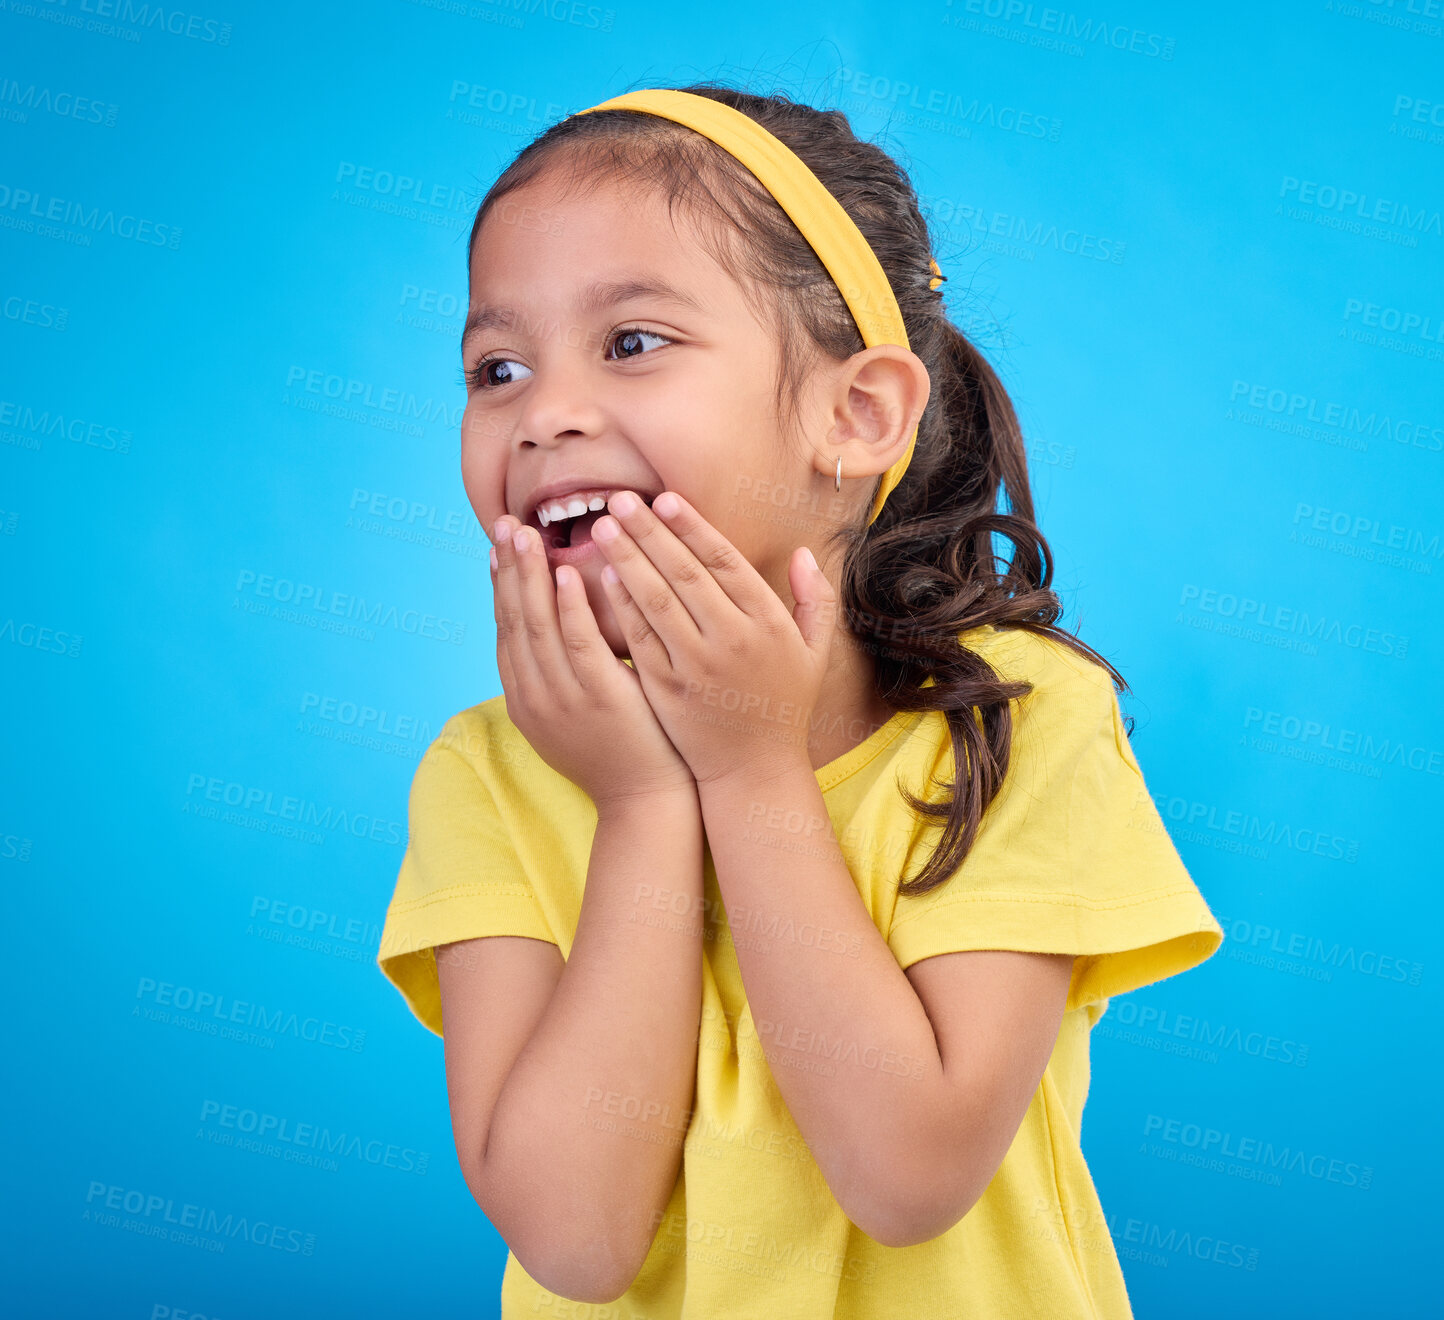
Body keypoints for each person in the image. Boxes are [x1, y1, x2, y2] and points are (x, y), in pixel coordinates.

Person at [376, 81, 1223, 1318]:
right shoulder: (487, 772)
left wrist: (749, 772)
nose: (543, 414)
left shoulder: (1016, 716)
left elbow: (907, 1175)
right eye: (496, 367)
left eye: (630, 343)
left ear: (856, 414)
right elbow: (577, 1239)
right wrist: (644, 805)